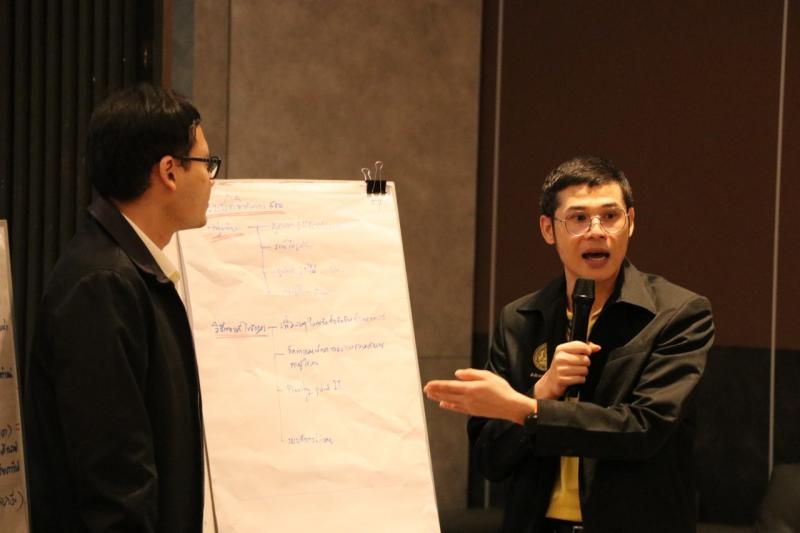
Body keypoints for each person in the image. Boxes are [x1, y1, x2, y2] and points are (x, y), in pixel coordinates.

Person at [424, 156, 714, 533]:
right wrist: (542, 391)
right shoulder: (520, 319)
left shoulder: (677, 314)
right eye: (578, 218)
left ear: (630, 222)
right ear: (548, 229)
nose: (596, 231)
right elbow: (490, 460)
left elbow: (644, 429)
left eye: (610, 216)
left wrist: (528, 410)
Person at [23, 84, 221, 532]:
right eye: (205, 163)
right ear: (169, 172)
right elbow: (116, 486)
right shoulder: (103, 284)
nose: (211, 179)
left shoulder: (129, 271)